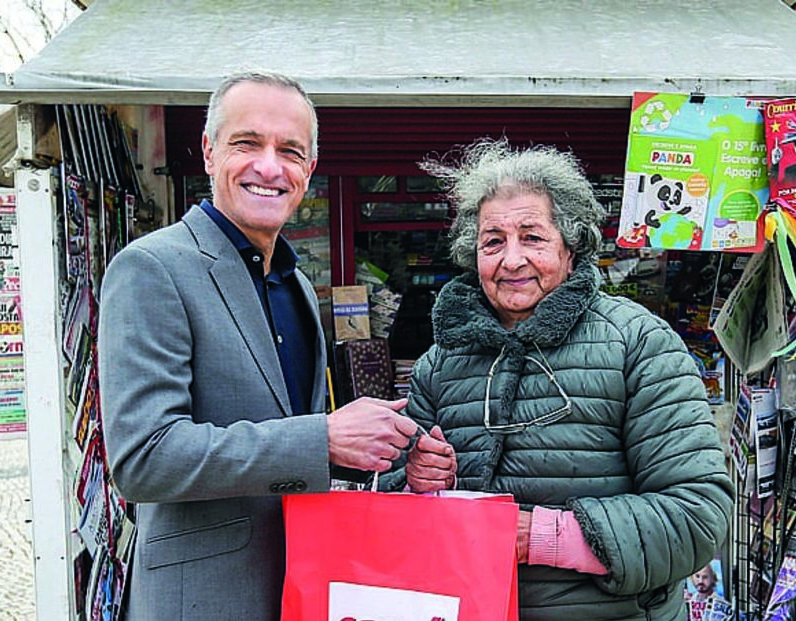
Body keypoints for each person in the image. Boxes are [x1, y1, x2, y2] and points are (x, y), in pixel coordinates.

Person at [98, 71, 417, 620]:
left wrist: (393, 461)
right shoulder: (151, 268)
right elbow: (143, 460)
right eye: (247, 143)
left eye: (290, 151)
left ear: (309, 169)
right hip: (203, 601)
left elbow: (297, 451)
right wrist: (324, 438)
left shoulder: (292, 282)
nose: (269, 167)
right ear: (208, 151)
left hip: (303, 588)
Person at [385, 138, 735, 620]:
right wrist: (420, 485)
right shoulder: (440, 363)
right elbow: (393, 515)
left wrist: (542, 538)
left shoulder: (639, 344)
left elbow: (696, 518)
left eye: (532, 237)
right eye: (493, 242)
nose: (511, 260)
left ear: (571, 248)